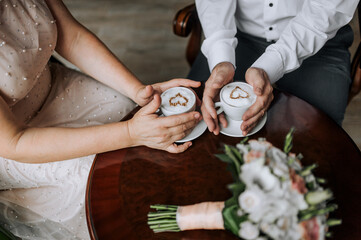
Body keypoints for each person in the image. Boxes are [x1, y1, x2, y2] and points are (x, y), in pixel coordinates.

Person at [0, 0, 202, 239]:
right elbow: (15, 141)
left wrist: (138, 91)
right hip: (16, 144)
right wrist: (130, 133)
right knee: (98, 178)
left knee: (129, 110)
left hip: (55, 87)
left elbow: (71, 36)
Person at [188, 0, 359, 136]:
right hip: (237, 35)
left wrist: (270, 66)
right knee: (193, 123)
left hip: (319, 40)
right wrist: (221, 59)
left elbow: (327, 9)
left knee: (321, 137)